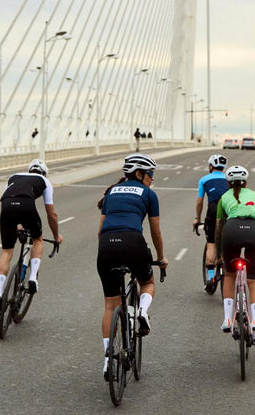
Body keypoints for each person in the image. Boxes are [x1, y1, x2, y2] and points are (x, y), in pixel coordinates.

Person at [97, 153, 168, 380]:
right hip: (133, 243)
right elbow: (155, 231)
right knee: (147, 282)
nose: (152, 179)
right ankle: (141, 312)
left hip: (107, 246)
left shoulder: (110, 192)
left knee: (110, 305)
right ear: (139, 174)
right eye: (151, 174)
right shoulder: (148, 194)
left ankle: (108, 360)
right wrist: (161, 257)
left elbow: (100, 231)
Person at [0, 158, 63, 315]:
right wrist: (56, 236)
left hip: (7, 207)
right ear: (45, 173)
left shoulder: (14, 177)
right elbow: (51, 214)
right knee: (37, 239)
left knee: (6, 251)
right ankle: (32, 279)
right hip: (26, 206)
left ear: (29, 170)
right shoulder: (44, 181)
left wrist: (19, 225)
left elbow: (10, 200)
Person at [215, 165, 255, 346]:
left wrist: (219, 254)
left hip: (232, 231)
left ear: (228, 183)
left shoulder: (224, 197)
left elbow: (219, 228)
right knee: (254, 282)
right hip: (254, 232)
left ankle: (228, 319)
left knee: (229, 275)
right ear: (246, 182)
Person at [192, 153, 229, 290]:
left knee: (211, 244)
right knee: (227, 242)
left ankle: (211, 277)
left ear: (211, 166)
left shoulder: (204, 179)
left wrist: (198, 218)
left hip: (213, 211)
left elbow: (200, 201)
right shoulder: (229, 178)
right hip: (228, 210)